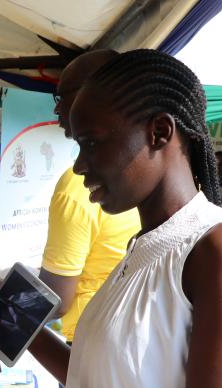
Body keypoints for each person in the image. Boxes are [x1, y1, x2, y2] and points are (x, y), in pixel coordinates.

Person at [0, 49, 222, 388]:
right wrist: (17, 318)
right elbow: (101, 387)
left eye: (91, 143)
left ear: (159, 132)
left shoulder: (220, 248)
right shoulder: (143, 248)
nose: (81, 165)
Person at [45, 48, 140, 348]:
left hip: (89, 342)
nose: (57, 110)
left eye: (63, 98)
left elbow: (56, 299)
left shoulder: (76, 187)